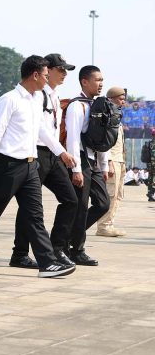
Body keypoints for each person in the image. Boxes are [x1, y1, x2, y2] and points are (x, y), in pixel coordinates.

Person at [0, 55, 76, 278]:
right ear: (35, 75)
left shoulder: (36, 98)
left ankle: (47, 263)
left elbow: (42, 130)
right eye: (44, 74)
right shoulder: (9, 99)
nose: (46, 78)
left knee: (35, 216)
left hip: (31, 165)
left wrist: (61, 152)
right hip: (8, 166)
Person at [9, 54, 79, 268]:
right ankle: (20, 254)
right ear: (46, 71)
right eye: (61, 69)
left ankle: (57, 248)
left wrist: (61, 152)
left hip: (52, 154)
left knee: (70, 199)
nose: (64, 74)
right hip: (37, 153)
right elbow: (40, 129)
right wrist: (62, 152)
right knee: (29, 207)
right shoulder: (36, 97)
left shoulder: (55, 96)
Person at [65, 65, 110, 266]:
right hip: (80, 160)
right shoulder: (77, 106)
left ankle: (70, 237)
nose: (101, 84)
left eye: (102, 80)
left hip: (94, 161)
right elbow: (73, 139)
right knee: (81, 207)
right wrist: (75, 169)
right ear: (84, 81)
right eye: (97, 80)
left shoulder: (100, 105)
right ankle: (77, 249)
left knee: (102, 203)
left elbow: (103, 138)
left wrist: (104, 165)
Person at [96, 86, 128, 237]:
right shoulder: (107, 115)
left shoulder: (116, 115)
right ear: (112, 99)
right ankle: (104, 226)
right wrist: (107, 162)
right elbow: (104, 141)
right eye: (120, 99)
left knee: (118, 195)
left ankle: (109, 223)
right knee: (110, 194)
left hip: (120, 160)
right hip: (112, 160)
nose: (123, 102)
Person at [146, 129, 155, 201]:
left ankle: (150, 194)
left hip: (149, 165)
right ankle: (151, 194)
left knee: (150, 179)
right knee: (153, 180)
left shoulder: (148, 143)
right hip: (154, 164)